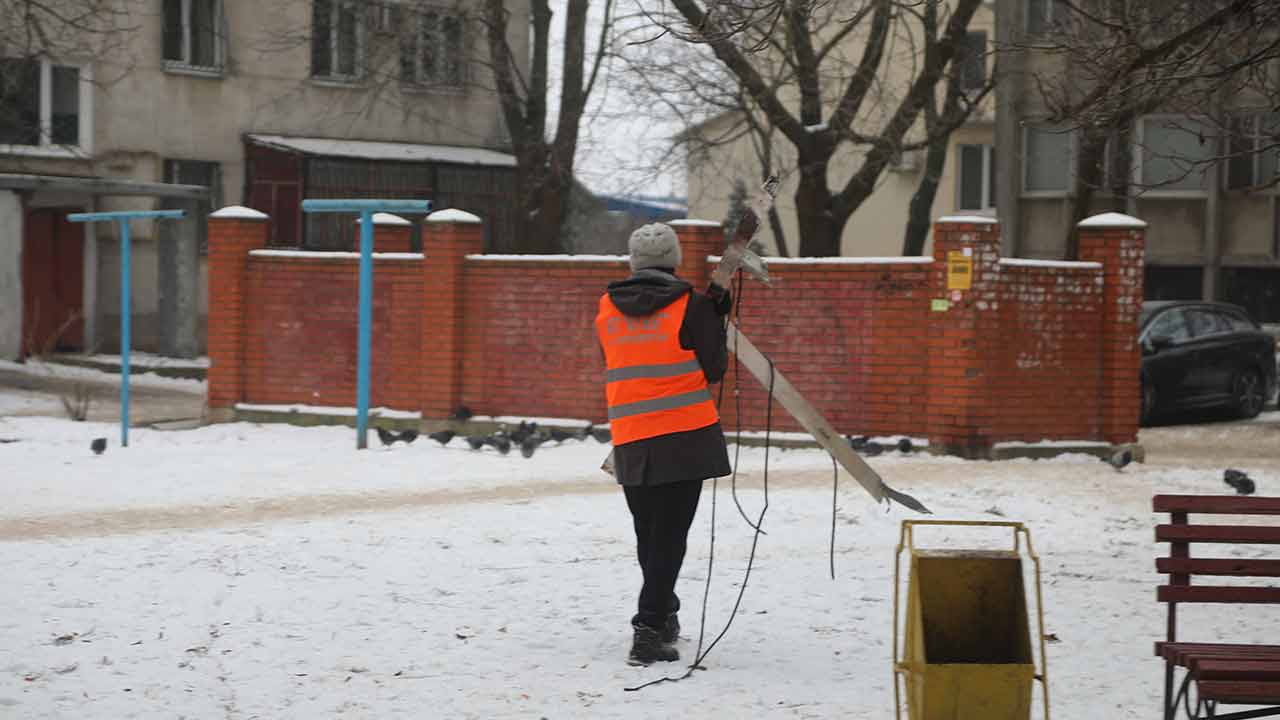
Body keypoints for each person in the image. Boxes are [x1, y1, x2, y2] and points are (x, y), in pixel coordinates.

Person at [594, 222, 733, 666]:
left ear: (633, 262)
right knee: (669, 538)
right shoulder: (691, 307)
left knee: (650, 535)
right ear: (674, 259)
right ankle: (650, 629)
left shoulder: (607, 308)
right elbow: (713, 369)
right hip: (683, 436)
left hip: (631, 436)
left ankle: (663, 614)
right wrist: (715, 320)